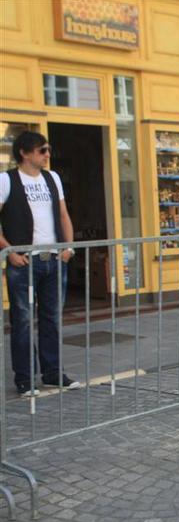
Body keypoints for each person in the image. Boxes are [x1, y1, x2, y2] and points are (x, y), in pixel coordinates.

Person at [0, 131, 80, 397]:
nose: (47, 155)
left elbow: (63, 214)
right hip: (24, 261)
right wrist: (9, 251)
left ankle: (53, 373)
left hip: (54, 259)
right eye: (41, 150)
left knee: (52, 319)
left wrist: (68, 247)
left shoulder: (52, 177)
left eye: (48, 149)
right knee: (22, 321)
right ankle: (25, 378)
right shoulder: (7, 180)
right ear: (24, 153)